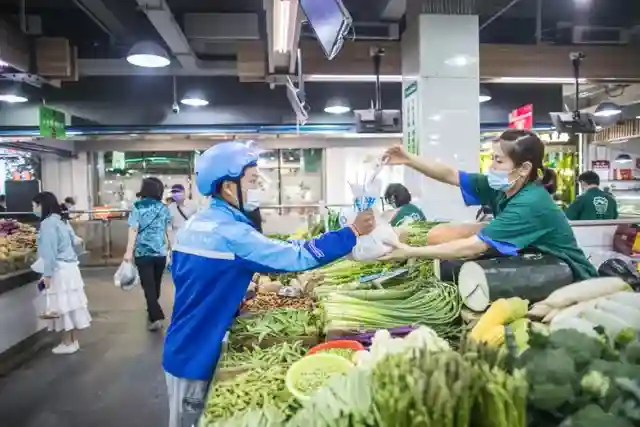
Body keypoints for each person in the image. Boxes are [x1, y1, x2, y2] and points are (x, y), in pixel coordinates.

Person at [162, 142, 375, 427]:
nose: (257, 187)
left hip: (184, 342)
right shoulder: (231, 232)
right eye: (251, 180)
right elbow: (296, 257)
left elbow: (198, 281)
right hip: (195, 355)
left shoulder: (198, 224)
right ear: (228, 187)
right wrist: (351, 232)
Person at [379, 130, 598, 280]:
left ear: (524, 168)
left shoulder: (531, 203)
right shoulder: (503, 187)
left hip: (567, 275)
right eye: (492, 158)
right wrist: (408, 159)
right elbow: (450, 175)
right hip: (535, 266)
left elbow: (473, 246)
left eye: (499, 160)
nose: (491, 166)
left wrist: (411, 251)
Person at [32, 192, 91, 354]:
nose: (33, 209)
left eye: (35, 205)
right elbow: (74, 241)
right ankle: (73, 341)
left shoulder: (47, 224)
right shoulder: (62, 220)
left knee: (61, 307)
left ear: (42, 205)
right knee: (71, 306)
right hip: (71, 268)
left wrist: (47, 275)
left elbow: (49, 252)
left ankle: (66, 343)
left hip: (59, 270)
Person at [124, 177, 172, 332]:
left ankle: (155, 315)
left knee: (149, 286)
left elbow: (133, 229)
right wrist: (170, 249)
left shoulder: (137, 206)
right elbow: (167, 231)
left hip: (142, 252)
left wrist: (128, 252)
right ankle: (153, 311)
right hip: (160, 252)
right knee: (156, 284)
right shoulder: (163, 208)